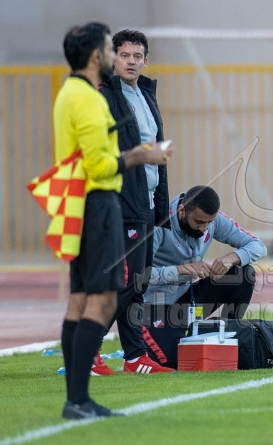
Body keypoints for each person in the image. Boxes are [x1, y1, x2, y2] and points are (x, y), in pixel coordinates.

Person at [55, 22, 174, 419]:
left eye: (135, 55)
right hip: (102, 205)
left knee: (81, 299)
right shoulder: (91, 98)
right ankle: (80, 395)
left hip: (86, 203)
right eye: (113, 51)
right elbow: (98, 165)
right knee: (105, 297)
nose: (120, 58)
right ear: (97, 56)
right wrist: (141, 156)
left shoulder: (71, 92)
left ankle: (77, 400)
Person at [95, 29, 173, 375]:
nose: (131, 62)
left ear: (145, 61)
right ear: (113, 59)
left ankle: (134, 357)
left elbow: (154, 150)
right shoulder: (104, 96)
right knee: (124, 285)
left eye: (137, 56)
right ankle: (88, 348)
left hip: (147, 203)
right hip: (122, 204)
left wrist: (160, 204)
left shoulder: (146, 94)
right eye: (124, 55)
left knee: (138, 285)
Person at [141, 185, 267, 369]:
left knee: (243, 273)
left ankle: (230, 335)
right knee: (172, 363)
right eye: (199, 222)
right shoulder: (158, 223)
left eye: (209, 223)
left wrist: (231, 258)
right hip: (154, 306)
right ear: (182, 210)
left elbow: (258, 246)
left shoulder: (211, 220)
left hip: (188, 301)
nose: (204, 229)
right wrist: (183, 269)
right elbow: (141, 275)